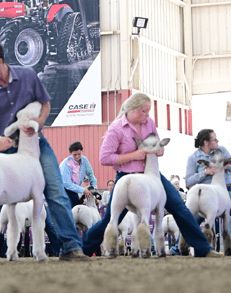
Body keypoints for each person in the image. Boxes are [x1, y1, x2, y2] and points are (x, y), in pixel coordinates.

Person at [0, 38, 86, 261]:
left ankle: (71, 247)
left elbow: (45, 104)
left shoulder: (28, 76)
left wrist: (40, 122)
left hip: (36, 145)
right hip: (5, 148)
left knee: (55, 191)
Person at [81, 93, 220, 258]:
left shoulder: (149, 123)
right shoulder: (116, 128)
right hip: (127, 177)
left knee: (180, 209)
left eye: (148, 111)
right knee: (110, 220)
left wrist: (158, 150)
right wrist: (135, 155)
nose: (147, 115)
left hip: (152, 176)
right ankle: (82, 249)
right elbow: (104, 158)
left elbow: (160, 148)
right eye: (144, 111)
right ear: (132, 110)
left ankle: (203, 249)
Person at [59, 141, 98, 208]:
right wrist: (83, 190)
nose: (77, 157)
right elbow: (66, 183)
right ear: (71, 153)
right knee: (69, 212)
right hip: (63, 191)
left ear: (82, 151)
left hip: (74, 190)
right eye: (74, 155)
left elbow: (90, 174)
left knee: (77, 209)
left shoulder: (84, 160)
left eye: (79, 154)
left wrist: (94, 189)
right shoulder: (66, 164)